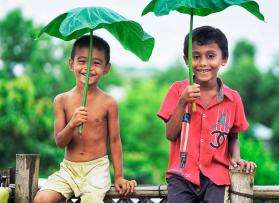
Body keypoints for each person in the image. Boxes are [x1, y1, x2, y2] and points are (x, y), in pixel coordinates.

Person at [157, 26, 256, 203]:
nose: (203, 63)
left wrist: (236, 157)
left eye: (210, 56)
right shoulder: (177, 90)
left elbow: (232, 137)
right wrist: (183, 102)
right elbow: (170, 134)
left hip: (215, 178)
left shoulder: (233, 99)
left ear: (223, 59)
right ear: (187, 60)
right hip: (181, 176)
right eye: (196, 56)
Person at [34, 35, 136, 203]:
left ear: (106, 68)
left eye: (96, 63)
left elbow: (115, 141)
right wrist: (72, 124)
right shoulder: (61, 100)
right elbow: (60, 142)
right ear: (71, 64)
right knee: (41, 199)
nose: (88, 68)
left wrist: (119, 176)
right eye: (82, 61)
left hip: (96, 169)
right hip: (68, 169)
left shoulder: (109, 102)